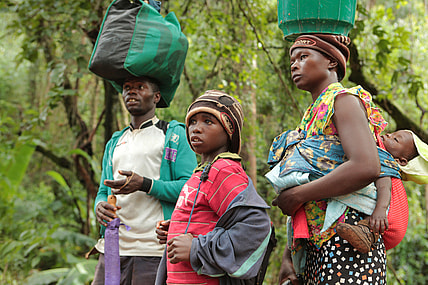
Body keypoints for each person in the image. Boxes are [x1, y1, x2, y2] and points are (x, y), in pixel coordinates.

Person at [269, 34, 394, 284]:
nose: (294, 65)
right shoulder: (312, 115)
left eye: (303, 57)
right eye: (292, 60)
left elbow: (366, 166)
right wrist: (289, 256)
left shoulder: (343, 100)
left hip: (348, 244)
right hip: (320, 245)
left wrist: (298, 195)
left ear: (331, 63)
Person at [154, 90, 273, 285]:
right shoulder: (200, 173)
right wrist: (177, 227)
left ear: (229, 130)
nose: (196, 128)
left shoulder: (223, 170)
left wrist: (196, 248)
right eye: (192, 122)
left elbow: (257, 225)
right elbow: (212, 219)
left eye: (208, 121)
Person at [90, 76, 197, 285]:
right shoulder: (115, 141)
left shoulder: (173, 135)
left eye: (141, 87)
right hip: (112, 248)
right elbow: (103, 190)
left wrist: (145, 184)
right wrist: (98, 206)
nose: (132, 91)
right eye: (127, 88)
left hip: (152, 250)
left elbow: (189, 188)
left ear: (156, 96)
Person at [337, 129, 428, 252]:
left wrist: (381, 209)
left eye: (395, 139)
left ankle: (366, 232)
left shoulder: (388, 166)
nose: (388, 135)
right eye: (392, 133)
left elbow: (385, 187)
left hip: (393, 222)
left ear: (400, 161)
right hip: (393, 229)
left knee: (375, 220)